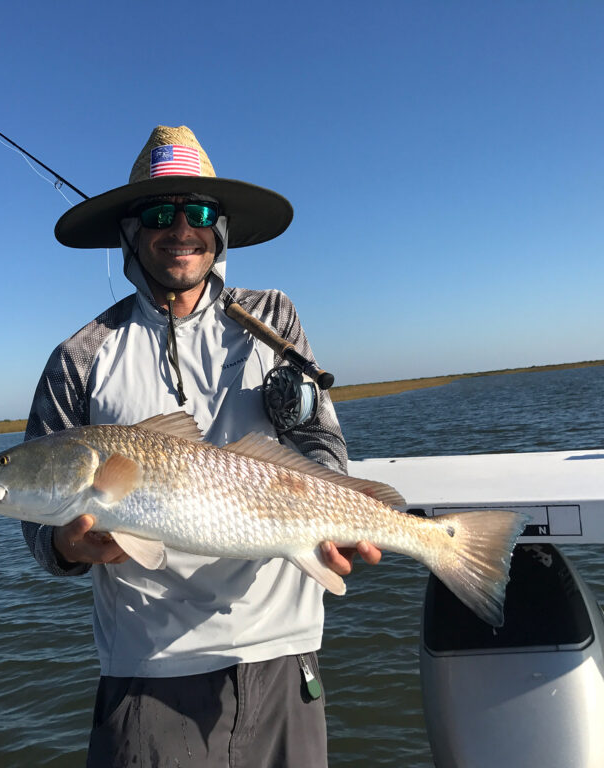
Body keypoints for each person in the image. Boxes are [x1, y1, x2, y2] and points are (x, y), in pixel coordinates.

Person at [21, 125, 381, 767]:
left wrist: (337, 520)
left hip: (282, 648)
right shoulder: (79, 357)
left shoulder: (271, 317)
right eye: (160, 212)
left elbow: (321, 441)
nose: (181, 228)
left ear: (221, 230)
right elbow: (37, 522)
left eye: (200, 212)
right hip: (148, 668)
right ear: (131, 231)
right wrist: (64, 546)